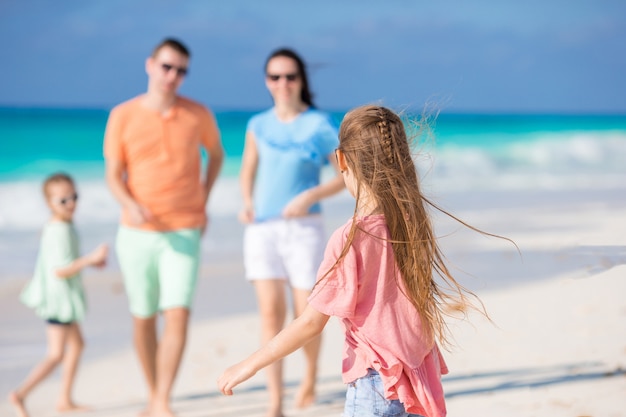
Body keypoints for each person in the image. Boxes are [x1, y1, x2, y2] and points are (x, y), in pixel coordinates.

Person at [218, 105, 494, 417]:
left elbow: (310, 322)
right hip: (416, 377)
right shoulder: (410, 222)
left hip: (376, 385)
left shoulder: (350, 239)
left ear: (342, 160)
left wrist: (249, 364)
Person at [103, 38, 224, 417]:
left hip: (184, 229)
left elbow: (216, 154)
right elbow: (112, 175)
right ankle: (153, 390)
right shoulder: (121, 115)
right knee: (143, 316)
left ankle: (162, 400)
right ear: (150, 65)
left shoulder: (198, 113)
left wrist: (203, 199)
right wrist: (130, 205)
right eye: (167, 67)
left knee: (178, 312)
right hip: (136, 233)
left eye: (181, 70)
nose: (173, 76)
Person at [238, 47, 345, 416]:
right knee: (270, 314)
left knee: (306, 314)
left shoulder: (319, 124)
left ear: (301, 80)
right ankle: (274, 401)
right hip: (262, 230)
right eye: (274, 77)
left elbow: (344, 175)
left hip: (304, 228)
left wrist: (311, 195)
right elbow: (247, 169)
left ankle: (310, 376)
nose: (282, 84)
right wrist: (246, 201)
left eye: (290, 76)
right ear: (267, 81)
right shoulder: (257, 125)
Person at [9, 172, 108, 417]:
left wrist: (89, 263)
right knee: (55, 354)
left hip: (64, 299)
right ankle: (20, 394)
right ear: (49, 203)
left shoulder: (63, 225)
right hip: (58, 301)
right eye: (63, 200)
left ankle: (64, 399)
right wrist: (90, 259)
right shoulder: (59, 230)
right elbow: (59, 270)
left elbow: (63, 263)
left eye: (74, 197)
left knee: (78, 345)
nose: (71, 203)